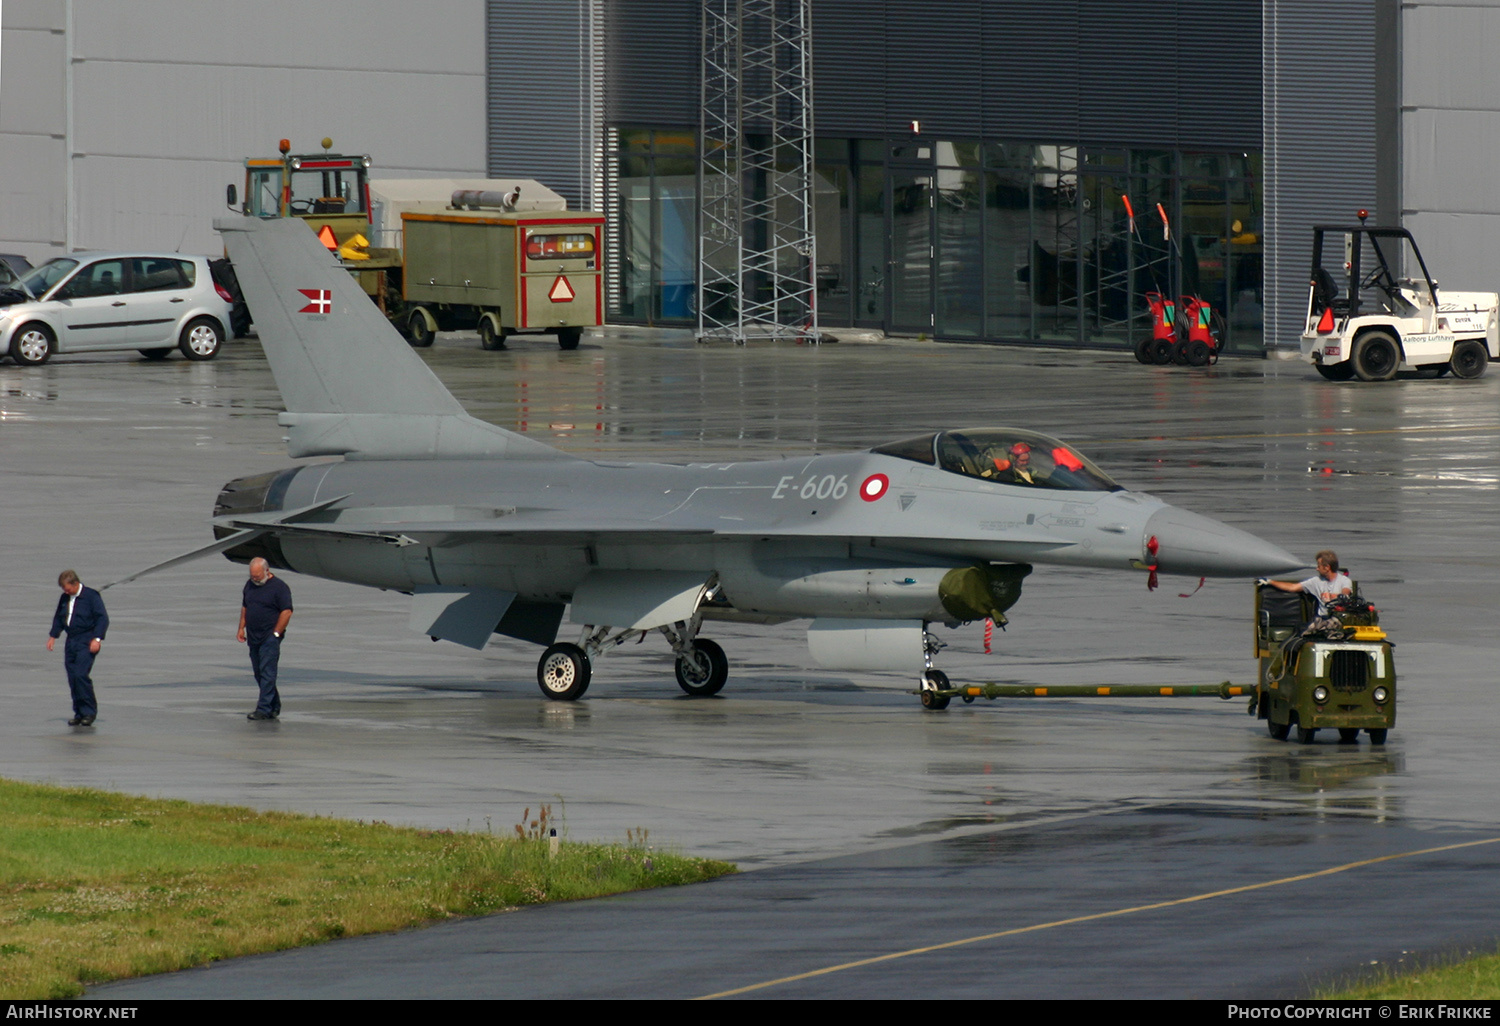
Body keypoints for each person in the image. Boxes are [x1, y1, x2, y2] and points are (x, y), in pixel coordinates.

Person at [47, 569, 108, 727]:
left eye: (67, 588)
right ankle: (79, 713)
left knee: (81, 675)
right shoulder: (64, 598)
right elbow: (59, 617)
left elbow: (102, 618)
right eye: (63, 589)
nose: (65, 591)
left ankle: (89, 712)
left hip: (86, 640)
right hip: (71, 640)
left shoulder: (91, 596)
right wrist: (53, 636)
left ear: (75, 584)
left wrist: (97, 639)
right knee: (73, 677)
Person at [238, 557, 293, 720]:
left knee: (268, 672)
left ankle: (263, 709)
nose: (254, 579)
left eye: (257, 576)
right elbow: (245, 607)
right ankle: (273, 705)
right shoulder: (249, 585)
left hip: (270, 637)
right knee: (259, 673)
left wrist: (276, 633)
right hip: (253, 636)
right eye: (252, 576)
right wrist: (241, 628)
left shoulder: (279, 587)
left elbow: (287, 611)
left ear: (266, 571)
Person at [1262, 550, 1352, 616]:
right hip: (1322, 619)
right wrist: (1270, 581)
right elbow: (1292, 587)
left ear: (1327, 567)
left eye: (1319, 566)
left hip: (1339, 617)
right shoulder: (1315, 581)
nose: (1317, 569)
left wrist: (1335, 596)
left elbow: (1345, 593)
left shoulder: (1344, 580)